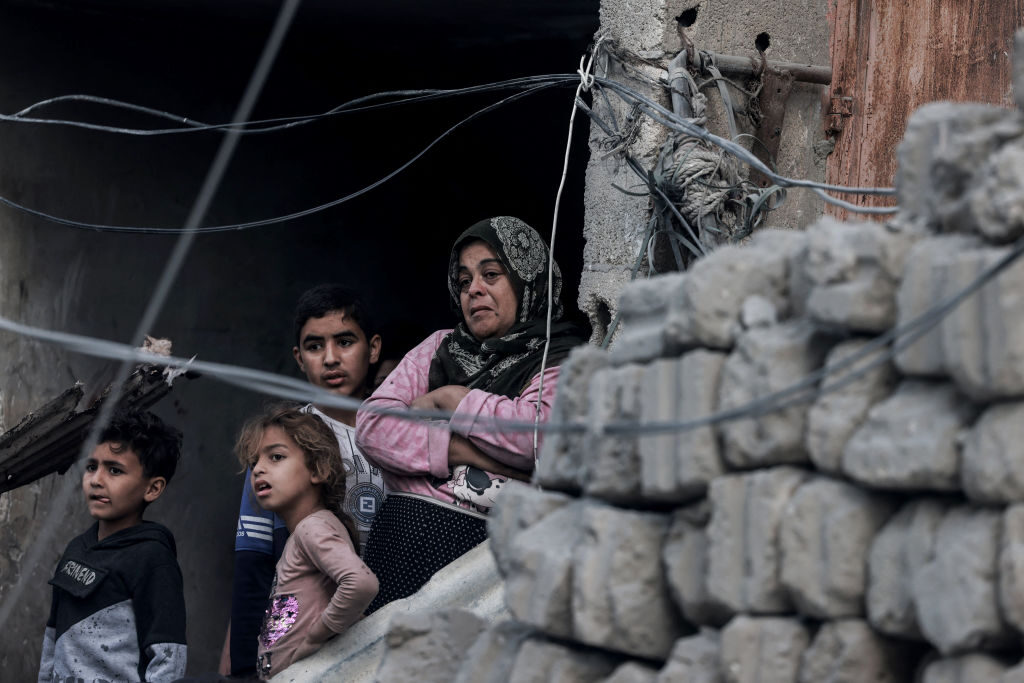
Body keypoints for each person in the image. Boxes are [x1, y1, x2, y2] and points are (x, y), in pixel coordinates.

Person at [356, 215, 586, 612]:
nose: (474, 290)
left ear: (527, 278)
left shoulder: (563, 358)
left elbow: (539, 438)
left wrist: (451, 399)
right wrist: (464, 452)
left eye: (491, 274)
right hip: (398, 545)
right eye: (464, 282)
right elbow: (374, 425)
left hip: (491, 562)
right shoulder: (440, 347)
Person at [226, 285, 387, 677]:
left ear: (374, 348)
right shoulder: (281, 445)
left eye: (345, 341)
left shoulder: (398, 432)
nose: (330, 358)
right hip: (302, 645)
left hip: (384, 629)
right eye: (315, 347)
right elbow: (255, 565)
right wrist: (243, 666)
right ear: (299, 358)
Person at [38, 408, 186, 682]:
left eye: (115, 470)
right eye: (91, 467)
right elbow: (53, 637)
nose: (96, 480)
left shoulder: (153, 559)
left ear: (152, 488)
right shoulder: (75, 550)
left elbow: (168, 657)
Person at [235, 405, 378, 680]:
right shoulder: (306, 531)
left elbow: (361, 583)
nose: (258, 470)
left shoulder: (313, 528)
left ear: (318, 469)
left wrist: (315, 638)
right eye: (254, 462)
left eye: (276, 457)